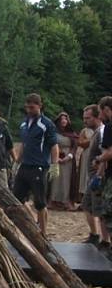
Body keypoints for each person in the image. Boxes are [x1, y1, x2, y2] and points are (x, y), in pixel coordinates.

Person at [13, 93, 59, 236]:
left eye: (32, 107)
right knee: (17, 198)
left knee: (40, 202)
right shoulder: (24, 123)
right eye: (27, 107)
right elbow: (23, 144)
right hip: (25, 165)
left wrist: (54, 164)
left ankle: (44, 233)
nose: (29, 110)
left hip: (38, 166)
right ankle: (32, 221)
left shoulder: (46, 124)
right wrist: (17, 161)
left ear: (39, 106)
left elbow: (54, 145)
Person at [80, 105, 106, 247]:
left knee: (100, 210)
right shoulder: (95, 132)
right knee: (87, 205)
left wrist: (99, 172)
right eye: (84, 118)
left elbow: (106, 153)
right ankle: (95, 235)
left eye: (88, 118)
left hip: (98, 176)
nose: (85, 121)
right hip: (92, 175)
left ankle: (104, 240)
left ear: (96, 117)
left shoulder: (101, 132)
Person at [48, 112, 79, 211]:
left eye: (65, 119)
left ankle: (65, 201)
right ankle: (52, 201)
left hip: (67, 160)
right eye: (61, 119)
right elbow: (49, 144)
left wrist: (68, 157)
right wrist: (56, 156)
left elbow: (74, 147)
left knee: (66, 180)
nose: (63, 121)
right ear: (58, 121)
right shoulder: (53, 132)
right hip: (54, 158)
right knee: (54, 178)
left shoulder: (72, 134)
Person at [94, 96, 112, 260]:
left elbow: (110, 153)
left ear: (107, 109)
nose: (100, 115)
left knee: (107, 212)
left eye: (101, 111)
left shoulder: (109, 127)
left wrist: (98, 159)